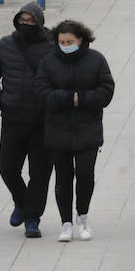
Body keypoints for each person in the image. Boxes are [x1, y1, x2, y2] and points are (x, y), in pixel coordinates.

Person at [37, 19, 115, 243]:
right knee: (63, 177)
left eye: (69, 41)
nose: (65, 44)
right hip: (57, 131)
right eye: (61, 41)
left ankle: (83, 215)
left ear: (80, 40)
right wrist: (67, 98)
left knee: (84, 174)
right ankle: (66, 223)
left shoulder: (96, 60)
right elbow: (41, 90)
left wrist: (83, 99)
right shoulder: (48, 61)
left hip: (87, 130)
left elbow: (106, 90)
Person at [0, 2, 53, 238]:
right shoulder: (5, 45)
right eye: (22, 20)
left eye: (31, 21)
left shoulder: (52, 47)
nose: (26, 25)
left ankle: (33, 218)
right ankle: (22, 202)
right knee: (7, 168)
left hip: (42, 122)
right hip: (13, 119)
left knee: (40, 173)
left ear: (39, 23)